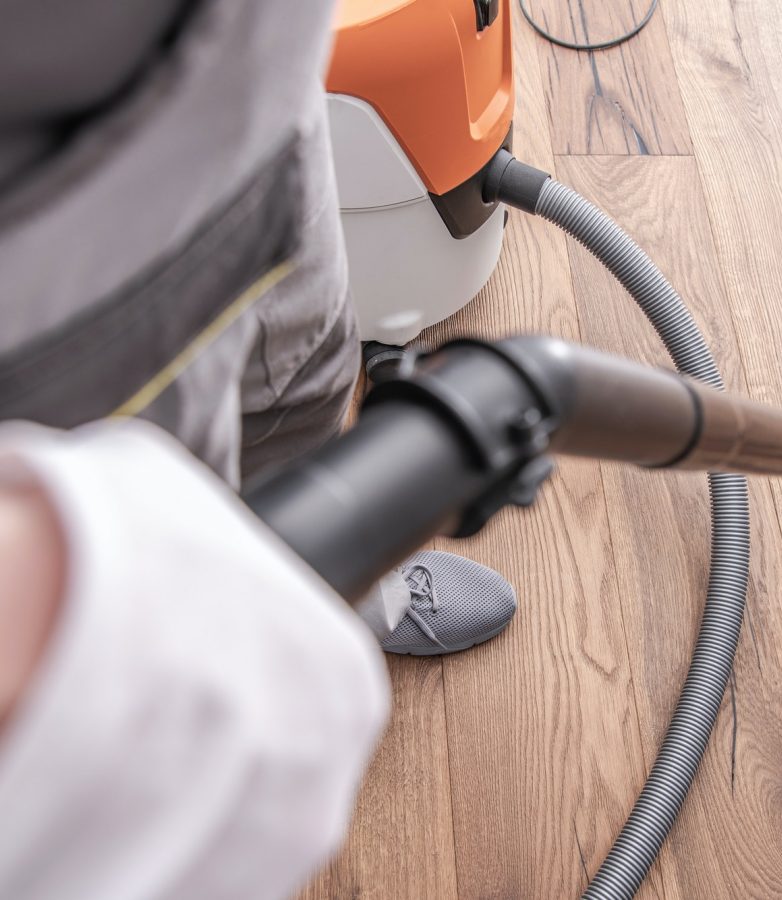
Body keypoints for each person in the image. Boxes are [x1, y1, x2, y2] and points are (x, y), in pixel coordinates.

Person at [0, 1, 516, 897]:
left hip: (257, 94)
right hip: (58, 253)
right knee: (166, 512)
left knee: (309, 377)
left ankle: (354, 587)